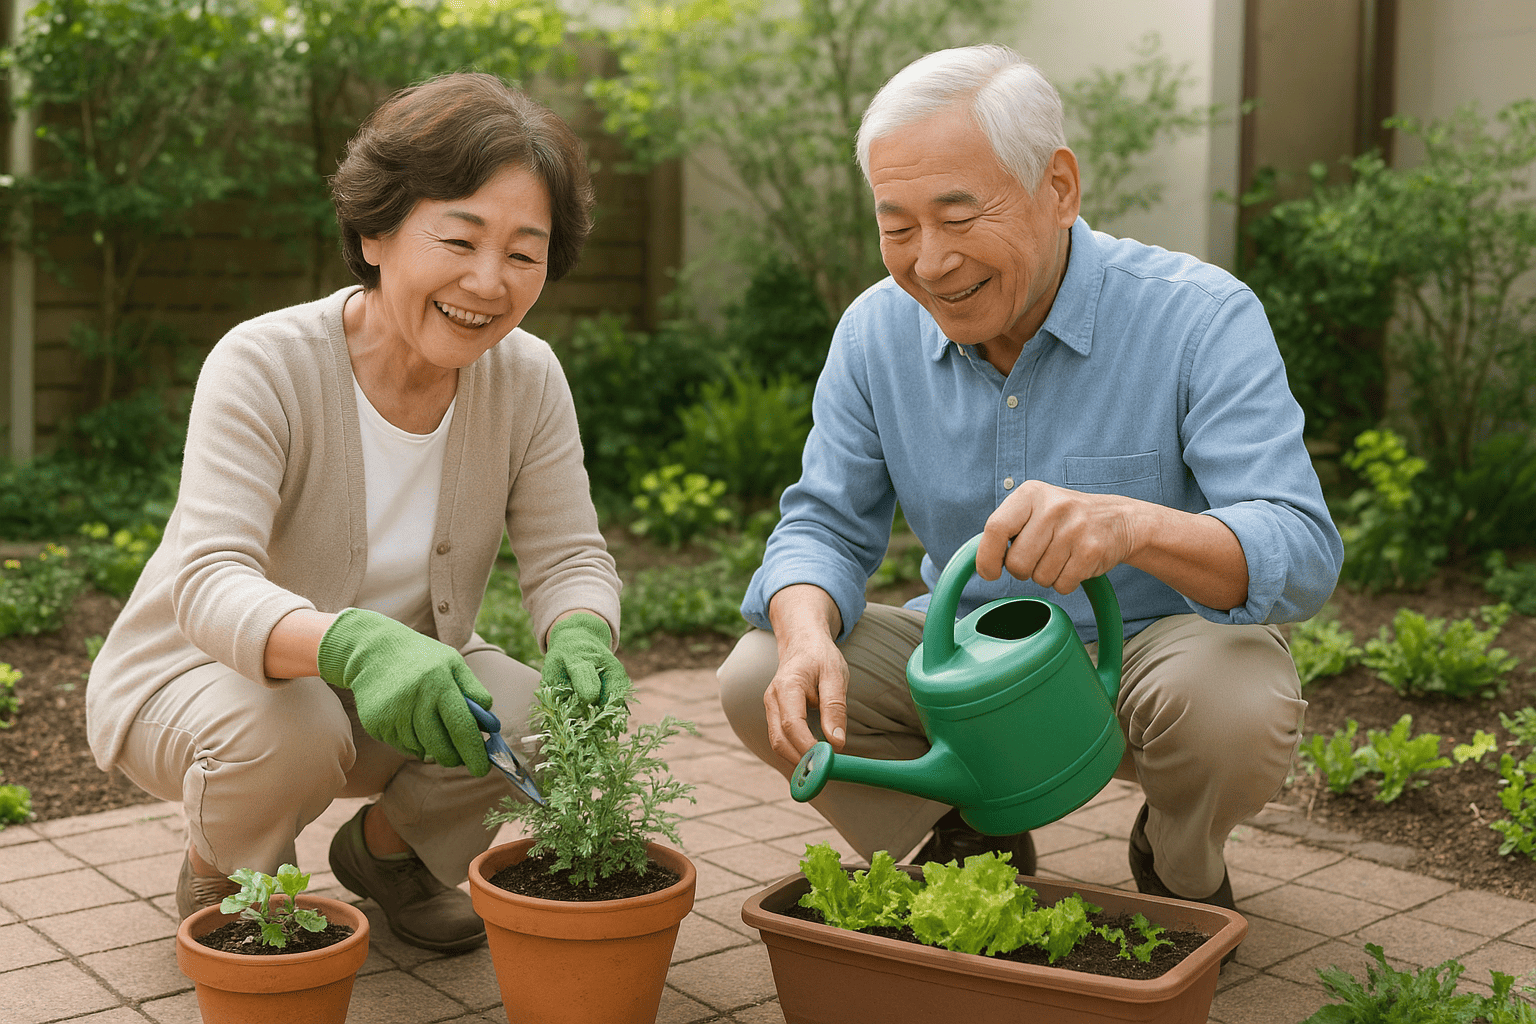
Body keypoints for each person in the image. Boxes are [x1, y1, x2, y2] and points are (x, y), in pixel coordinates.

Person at [718, 44, 1342, 920]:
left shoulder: (1201, 316)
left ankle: (1177, 859)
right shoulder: (873, 334)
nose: (928, 262)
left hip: (1157, 663)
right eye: (897, 226)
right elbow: (821, 526)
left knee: (1236, 697)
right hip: (969, 660)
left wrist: (1133, 525)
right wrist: (805, 629)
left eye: (959, 216)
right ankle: (962, 831)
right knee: (761, 672)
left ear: (1059, 189)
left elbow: (1302, 550)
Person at [85, 73, 628, 954]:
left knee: (544, 710)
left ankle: (389, 856)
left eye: (525, 256)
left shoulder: (527, 377)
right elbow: (210, 581)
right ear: (376, 232)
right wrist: (356, 642)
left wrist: (581, 633)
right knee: (290, 724)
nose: (489, 283)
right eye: (459, 239)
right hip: (199, 681)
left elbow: (568, 554)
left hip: (396, 693)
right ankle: (223, 872)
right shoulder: (265, 363)